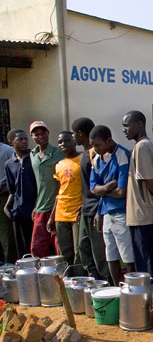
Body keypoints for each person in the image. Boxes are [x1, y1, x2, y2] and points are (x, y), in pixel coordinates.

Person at [123, 110, 153, 289]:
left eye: (127, 125)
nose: (124, 130)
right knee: (148, 260)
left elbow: (152, 184)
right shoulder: (142, 146)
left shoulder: (142, 147)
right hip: (140, 215)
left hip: (144, 215)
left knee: (149, 264)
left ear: (139, 124)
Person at [89, 125, 134, 285]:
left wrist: (101, 190)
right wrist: (108, 187)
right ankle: (116, 288)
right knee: (111, 254)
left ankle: (132, 287)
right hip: (106, 212)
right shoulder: (96, 159)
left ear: (108, 141)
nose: (95, 149)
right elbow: (93, 189)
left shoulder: (122, 155)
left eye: (98, 145)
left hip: (121, 212)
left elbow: (121, 191)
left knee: (127, 254)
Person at [73, 117, 111, 282]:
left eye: (74, 134)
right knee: (83, 248)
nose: (73, 137)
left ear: (80, 133)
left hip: (96, 210)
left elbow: (102, 184)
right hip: (86, 209)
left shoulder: (95, 154)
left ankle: (108, 283)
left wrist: (99, 210)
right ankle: (94, 281)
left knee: (99, 251)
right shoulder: (85, 154)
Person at [48, 131, 83, 266]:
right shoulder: (59, 165)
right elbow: (60, 191)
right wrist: (52, 216)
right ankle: (67, 282)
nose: (63, 144)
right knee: (64, 252)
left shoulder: (83, 159)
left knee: (78, 251)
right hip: (61, 214)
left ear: (74, 141)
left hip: (77, 214)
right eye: (60, 142)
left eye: (67, 141)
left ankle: (79, 280)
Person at [29, 121, 63, 257]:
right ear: (32, 136)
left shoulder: (58, 153)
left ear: (48, 133)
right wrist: (36, 206)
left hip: (57, 207)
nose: (40, 136)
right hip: (40, 208)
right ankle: (40, 276)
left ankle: (61, 276)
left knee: (58, 246)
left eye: (43, 133)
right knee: (37, 248)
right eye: (36, 134)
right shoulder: (32, 155)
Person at [4, 129, 36, 259]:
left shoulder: (34, 158)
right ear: (11, 142)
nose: (24, 142)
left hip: (34, 209)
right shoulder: (10, 164)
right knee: (22, 248)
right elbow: (13, 190)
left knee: (36, 245)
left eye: (25, 139)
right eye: (20, 139)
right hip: (19, 210)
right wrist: (7, 206)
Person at [0, 138, 17, 263]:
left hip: (2, 195)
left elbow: (14, 170)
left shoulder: (7, 150)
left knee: (6, 233)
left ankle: (8, 263)